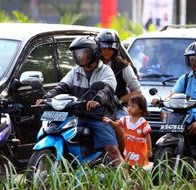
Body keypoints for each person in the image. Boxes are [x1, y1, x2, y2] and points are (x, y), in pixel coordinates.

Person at [36, 36, 124, 166]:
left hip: (99, 116)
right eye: (77, 53)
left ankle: (127, 181)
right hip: (76, 115)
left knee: (111, 150)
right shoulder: (75, 71)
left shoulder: (106, 71)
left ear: (94, 54)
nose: (80, 56)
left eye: (84, 53)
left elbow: (106, 91)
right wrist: (46, 98)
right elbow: (62, 87)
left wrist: (97, 100)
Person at [96, 30, 142, 119]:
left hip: (117, 109)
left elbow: (138, 92)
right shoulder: (92, 65)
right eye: (104, 48)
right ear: (98, 48)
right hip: (94, 108)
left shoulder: (123, 66)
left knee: (122, 124)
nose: (106, 51)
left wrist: (119, 100)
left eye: (110, 49)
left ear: (115, 49)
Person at [103, 95, 152, 169]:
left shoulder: (143, 123)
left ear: (140, 109)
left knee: (139, 167)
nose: (129, 108)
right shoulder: (125, 119)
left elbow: (147, 137)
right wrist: (110, 121)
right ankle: (129, 179)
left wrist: (149, 149)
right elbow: (116, 125)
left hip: (140, 150)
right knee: (128, 165)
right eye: (128, 106)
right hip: (129, 148)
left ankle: (139, 180)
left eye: (133, 106)